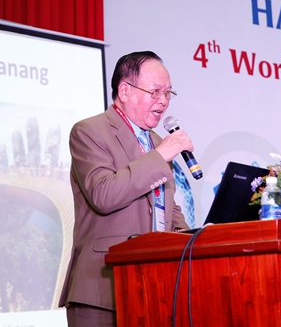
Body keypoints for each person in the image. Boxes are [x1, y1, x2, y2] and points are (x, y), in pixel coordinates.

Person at [59, 51, 192, 326]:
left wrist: (192, 237)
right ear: (125, 91)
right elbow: (103, 194)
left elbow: (166, 206)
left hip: (154, 287)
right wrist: (159, 156)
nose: (163, 101)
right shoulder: (89, 131)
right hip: (102, 287)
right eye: (155, 92)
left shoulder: (157, 141)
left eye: (168, 93)